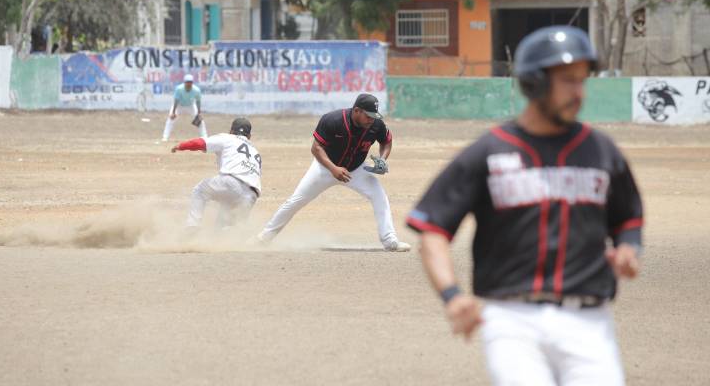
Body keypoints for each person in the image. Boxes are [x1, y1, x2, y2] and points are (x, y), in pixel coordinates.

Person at [407, 26, 643, 385]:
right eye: (567, 80)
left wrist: (629, 247)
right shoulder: (489, 152)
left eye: (582, 80)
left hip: (590, 321)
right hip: (511, 318)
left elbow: (628, 217)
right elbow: (433, 230)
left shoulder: (601, 150)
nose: (578, 91)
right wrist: (452, 297)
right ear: (534, 82)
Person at [256, 93, 410, 252]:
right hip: (324, 168)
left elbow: (386, 141)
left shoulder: (376, 124)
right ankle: (263, 238)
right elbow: (316, 148)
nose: (371, 120)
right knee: (295, 201)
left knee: (379, 196)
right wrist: (333, 169)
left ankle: (390, 241)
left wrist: (383, 159)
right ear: (357, 110)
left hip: (356, 170)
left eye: (374, 116)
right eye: (368, 116)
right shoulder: (332, 120)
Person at [171, 118, 260, 228]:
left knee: (200, 191)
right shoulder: (255, 152)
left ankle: (192, 227)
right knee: (226, 229)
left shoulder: (228, 138)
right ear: (249, 136)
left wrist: (181, 146)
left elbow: (200, 143)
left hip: (231, 182)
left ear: (231, 131)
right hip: (251, 195)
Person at [162, 74, 207, 142]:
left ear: (192, 83)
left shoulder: (196, 90)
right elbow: (176, 100)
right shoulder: (179, 89)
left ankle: (205, 137)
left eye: (190, 82)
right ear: (184, 82)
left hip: (190, 106)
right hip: (179, 106)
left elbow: (198, 101)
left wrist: (199, 113)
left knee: (200, 120)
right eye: (187, 82)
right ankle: (165, 137)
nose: (189, 84)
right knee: (170, 119)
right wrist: (173, 112)